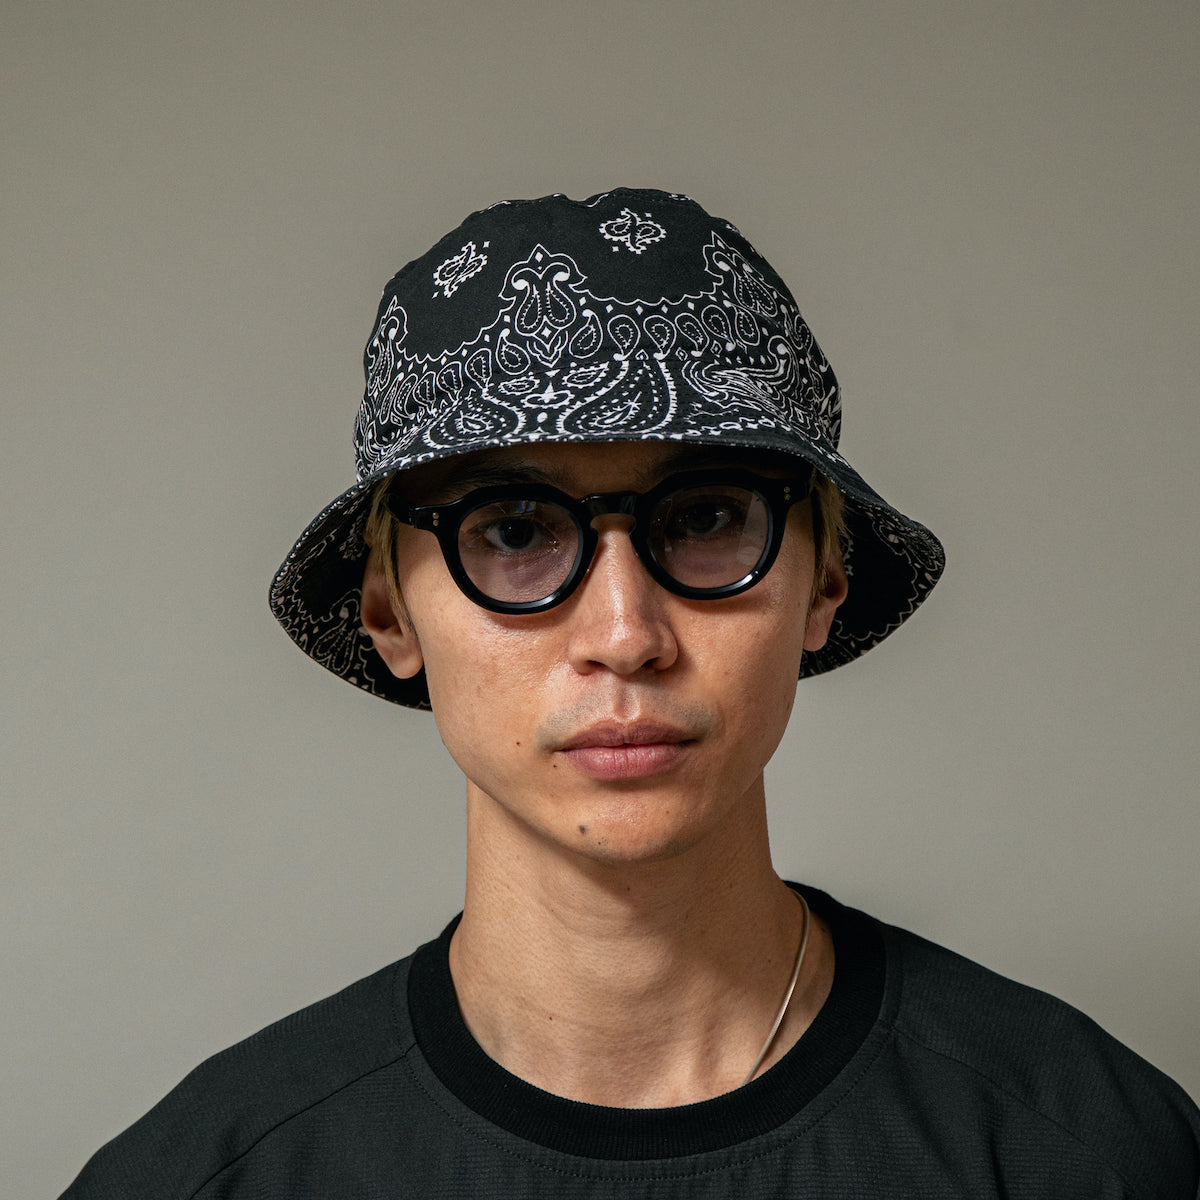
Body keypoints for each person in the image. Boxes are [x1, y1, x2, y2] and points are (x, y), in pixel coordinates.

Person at [62, 189, 1198, 1198]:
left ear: (825, 584)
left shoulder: (1085, 1151)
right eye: (514, 531)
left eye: (706, 518)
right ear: (388, 614)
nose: (625, 636)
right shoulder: (213, 1173)